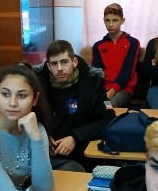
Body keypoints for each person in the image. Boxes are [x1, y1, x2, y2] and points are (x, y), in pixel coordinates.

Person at [37, 40, 115, 171]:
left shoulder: (93, 85)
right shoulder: (38, 87)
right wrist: (42, 135)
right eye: (54, 64)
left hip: (83, 153)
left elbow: (108, 120)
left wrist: (76, 137)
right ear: (48, 66)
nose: (59, 68)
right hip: (46, 156)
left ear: (74, 62)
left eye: (64, 62)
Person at [92, 3, 141, 108]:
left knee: (107, 107)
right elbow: (96, 73)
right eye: (107, 20)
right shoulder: (98, 46)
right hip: (104, 89)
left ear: (122, 21)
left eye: (115, 20)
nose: (110, 24)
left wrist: (109, 94)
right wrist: (99, 92)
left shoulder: (132, 43)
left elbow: (127, 72)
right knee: (89, 107)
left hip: (123, 89)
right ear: (103, 20)